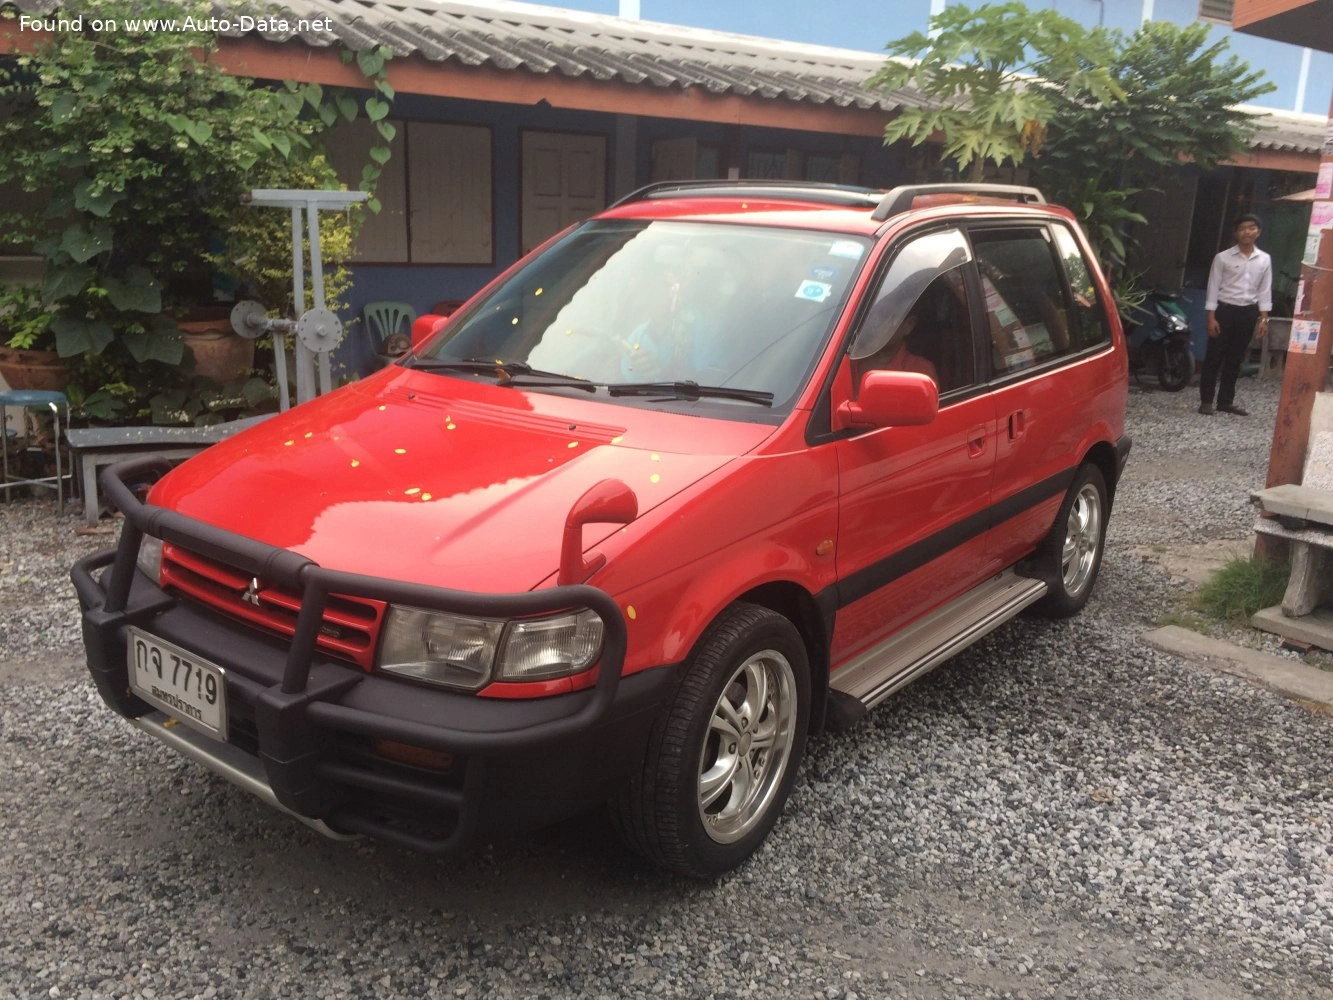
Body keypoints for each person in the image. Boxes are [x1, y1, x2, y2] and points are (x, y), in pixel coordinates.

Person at [1200, 214, 1271, 416]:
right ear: (1236, 233)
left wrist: (1264, 318)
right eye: (1242, 228)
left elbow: (1264, 290)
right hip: (1225, 311)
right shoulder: (1222, 258)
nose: (1247, 231)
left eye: (1251, 227)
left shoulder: (1264, 259)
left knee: (1236, 358)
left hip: (1248, 313)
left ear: (1258, 231)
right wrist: (1211, 317)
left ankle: (1225, 401)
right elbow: (1213, 287)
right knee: (1214, 357)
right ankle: (1206, 401)